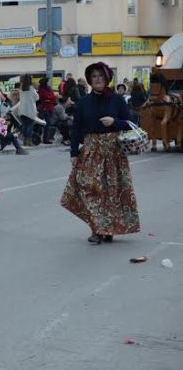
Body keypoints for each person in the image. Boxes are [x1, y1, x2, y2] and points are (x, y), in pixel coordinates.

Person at [61, 61, 139, 244]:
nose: (97, 79)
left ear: (107, 79)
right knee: (90, 189)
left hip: (113, 151)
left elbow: (129, 123)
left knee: (111, 191)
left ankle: (107, 228)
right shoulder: (83, 103)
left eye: (100, 76)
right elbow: (76, 129)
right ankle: (97, 228)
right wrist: (73, 152)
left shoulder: (117, 100)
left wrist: (114, 122)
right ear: (89, 80)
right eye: (94, 76)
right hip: (91, 150)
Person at [18, 74, 40, 146]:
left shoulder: (21, 88)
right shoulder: (31, 89)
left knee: (24, 125)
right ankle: (29, 141)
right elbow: (37, 98)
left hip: (22, 110)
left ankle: (24, 141)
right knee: (30, 125)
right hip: (30, 110)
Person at [37, 77, 57, 144]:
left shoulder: (48, 89)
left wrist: (49, 99)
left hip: (49, 107)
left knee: (48, 123)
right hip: (45, 108)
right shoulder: (42, 90)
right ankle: (45, 139)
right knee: (47, 123)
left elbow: (52, 97)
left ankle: (46, 138)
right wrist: (50, 98)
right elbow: (46, 97)